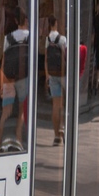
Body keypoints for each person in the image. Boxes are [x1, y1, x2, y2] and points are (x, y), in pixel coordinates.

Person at [0, 8, 31, 149]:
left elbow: (4, 61)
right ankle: (19, 141)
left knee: (5, 113)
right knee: (22, 111)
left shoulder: (8, 38)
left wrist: (2, 81)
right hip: (24, 78)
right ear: (26, 20)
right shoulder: (30, 37)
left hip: (9, 78)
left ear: (16, 21)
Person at [44, 15, 67, 145]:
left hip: (52, 74)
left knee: (55, 105)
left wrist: (47, 75)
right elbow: (66, 57)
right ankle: (62, 129)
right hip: (63, 74)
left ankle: (56, 136)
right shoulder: (63, 39)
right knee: (64, 104)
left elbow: (46, 59)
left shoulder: (47, 39)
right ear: (56, 24)